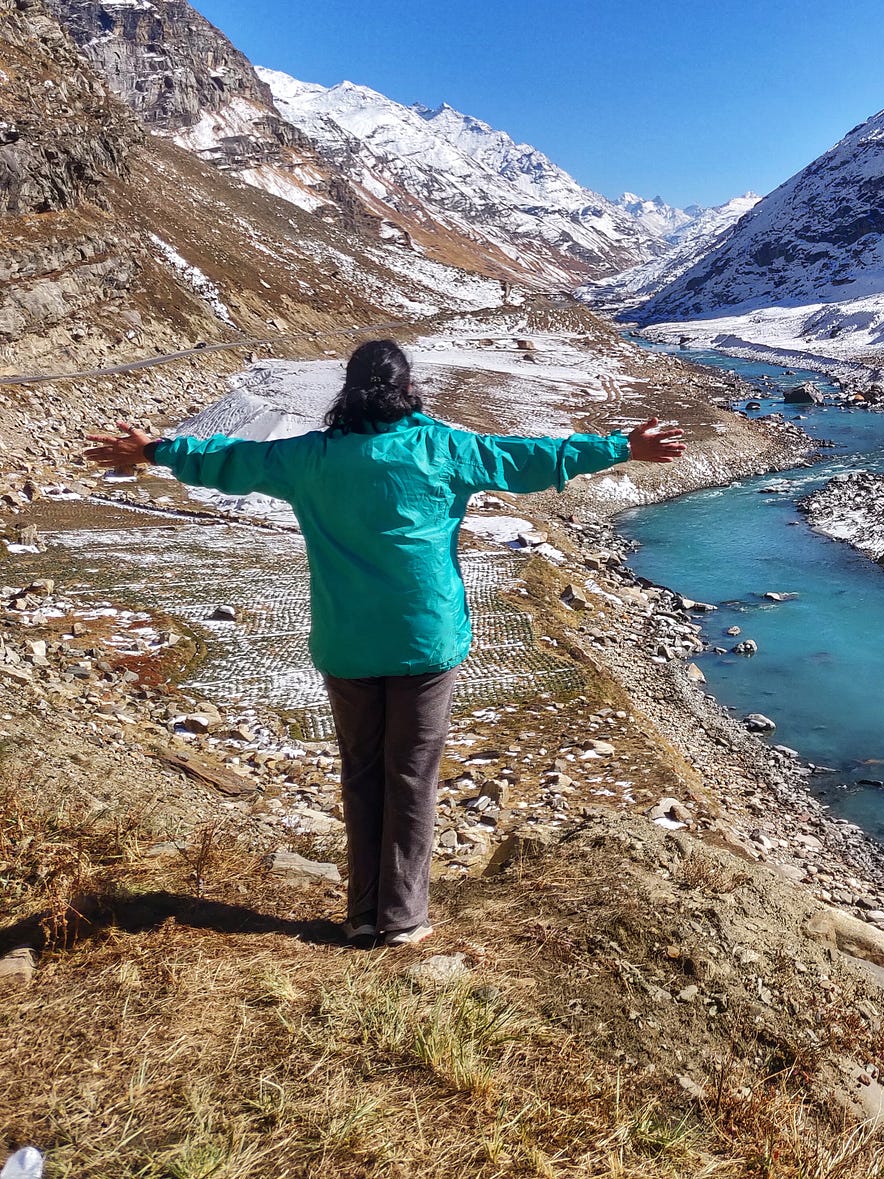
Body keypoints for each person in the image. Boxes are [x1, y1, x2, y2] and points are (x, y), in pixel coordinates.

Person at [85, 338, 686, 947]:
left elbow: (234, 459)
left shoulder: (310, 457)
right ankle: (402, 919)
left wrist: (156, 450)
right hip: (425, 639)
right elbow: (528, 457)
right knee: (413, 775)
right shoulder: (447, 448)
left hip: (346, 642)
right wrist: (621, 447)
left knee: (363, 771)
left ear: (349, 389)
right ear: (407, 388)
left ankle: (363, 912)